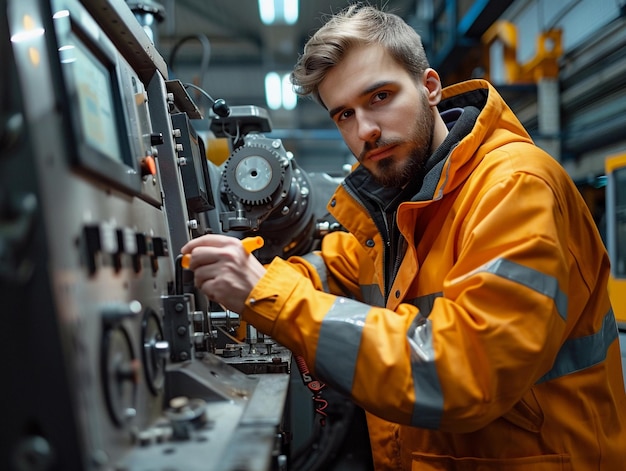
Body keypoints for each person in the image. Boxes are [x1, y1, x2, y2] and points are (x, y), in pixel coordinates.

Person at [181, 4, 626, 470]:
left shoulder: (514, 188)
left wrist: (270, 295)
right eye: (344, 115)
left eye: (380, 97)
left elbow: (465, 374)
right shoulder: (400, 204)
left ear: (429, 87)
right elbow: (334, 267)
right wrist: (231, 297)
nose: (365, 131)